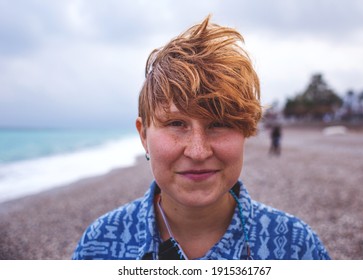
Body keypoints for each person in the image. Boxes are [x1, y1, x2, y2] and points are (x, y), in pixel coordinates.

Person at [72, 16, 330, 260]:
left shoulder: (297, 248)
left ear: (245, 130)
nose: (198, 151)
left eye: (218, 124)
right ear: (143, 135)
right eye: (176, 123)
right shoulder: (98, 247)